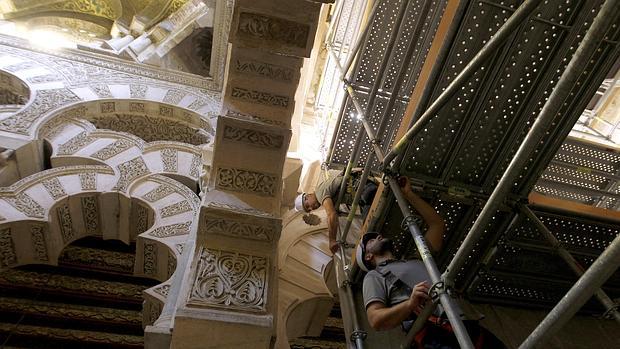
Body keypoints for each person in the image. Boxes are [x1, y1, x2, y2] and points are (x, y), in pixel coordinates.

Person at [357, 177, 505, 348]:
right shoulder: (375, 275)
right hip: (437, 334)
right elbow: (376, 320)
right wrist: (410, 303)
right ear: (368, 256)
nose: (377, 236)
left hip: (467, 325)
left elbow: (437, 224)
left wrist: (409, 195)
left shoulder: (417, 259)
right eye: (370, 240)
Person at [295, 169, 377, 254]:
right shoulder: (323, 191)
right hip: (363, 191)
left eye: (307, 205)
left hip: (364, 190)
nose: (311, 208)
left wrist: (332, 240)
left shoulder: (319, 194)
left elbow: (331, 215)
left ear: (307, 196)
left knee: (372, 228)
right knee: (371, 226)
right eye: (309, 210)